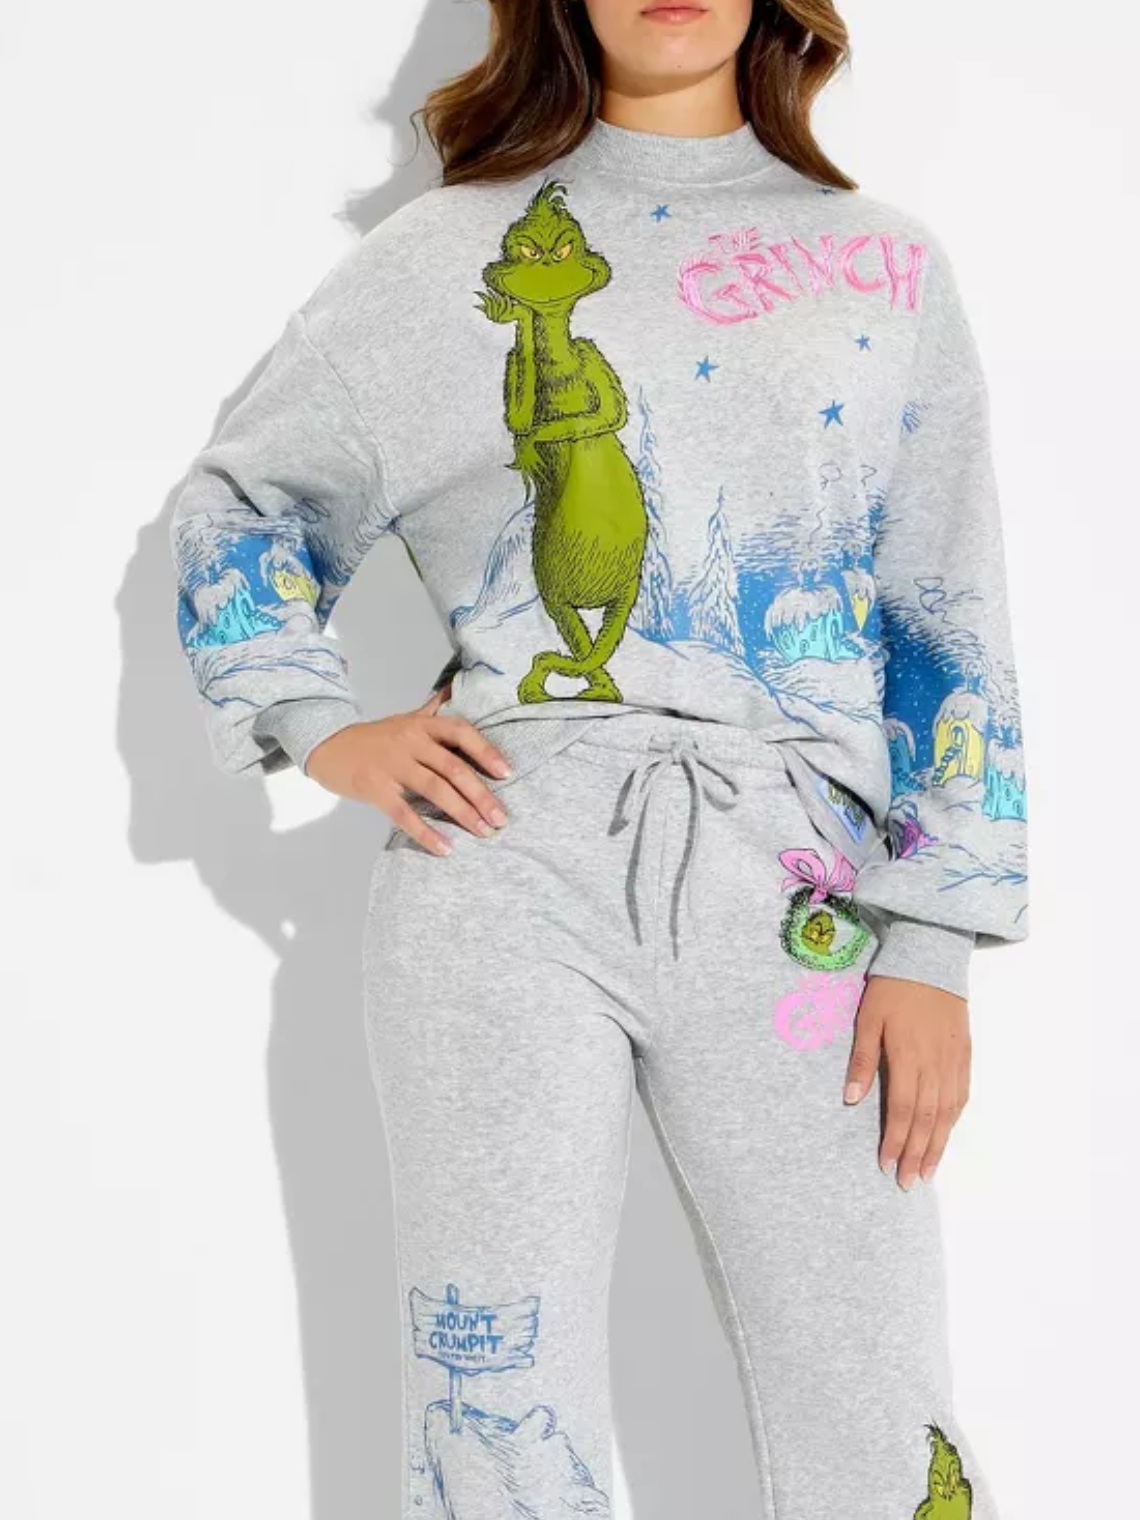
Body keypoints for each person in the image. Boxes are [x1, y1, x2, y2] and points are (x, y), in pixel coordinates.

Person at [170, 1, 1029, 1515]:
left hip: (798, 884)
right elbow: (241, 502)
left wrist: (937, 937)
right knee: (496, 1385)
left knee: (869, 1384)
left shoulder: (884, 266)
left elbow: (940, 609)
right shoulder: (444, 258)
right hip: (499, 866)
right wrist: (322, 724)